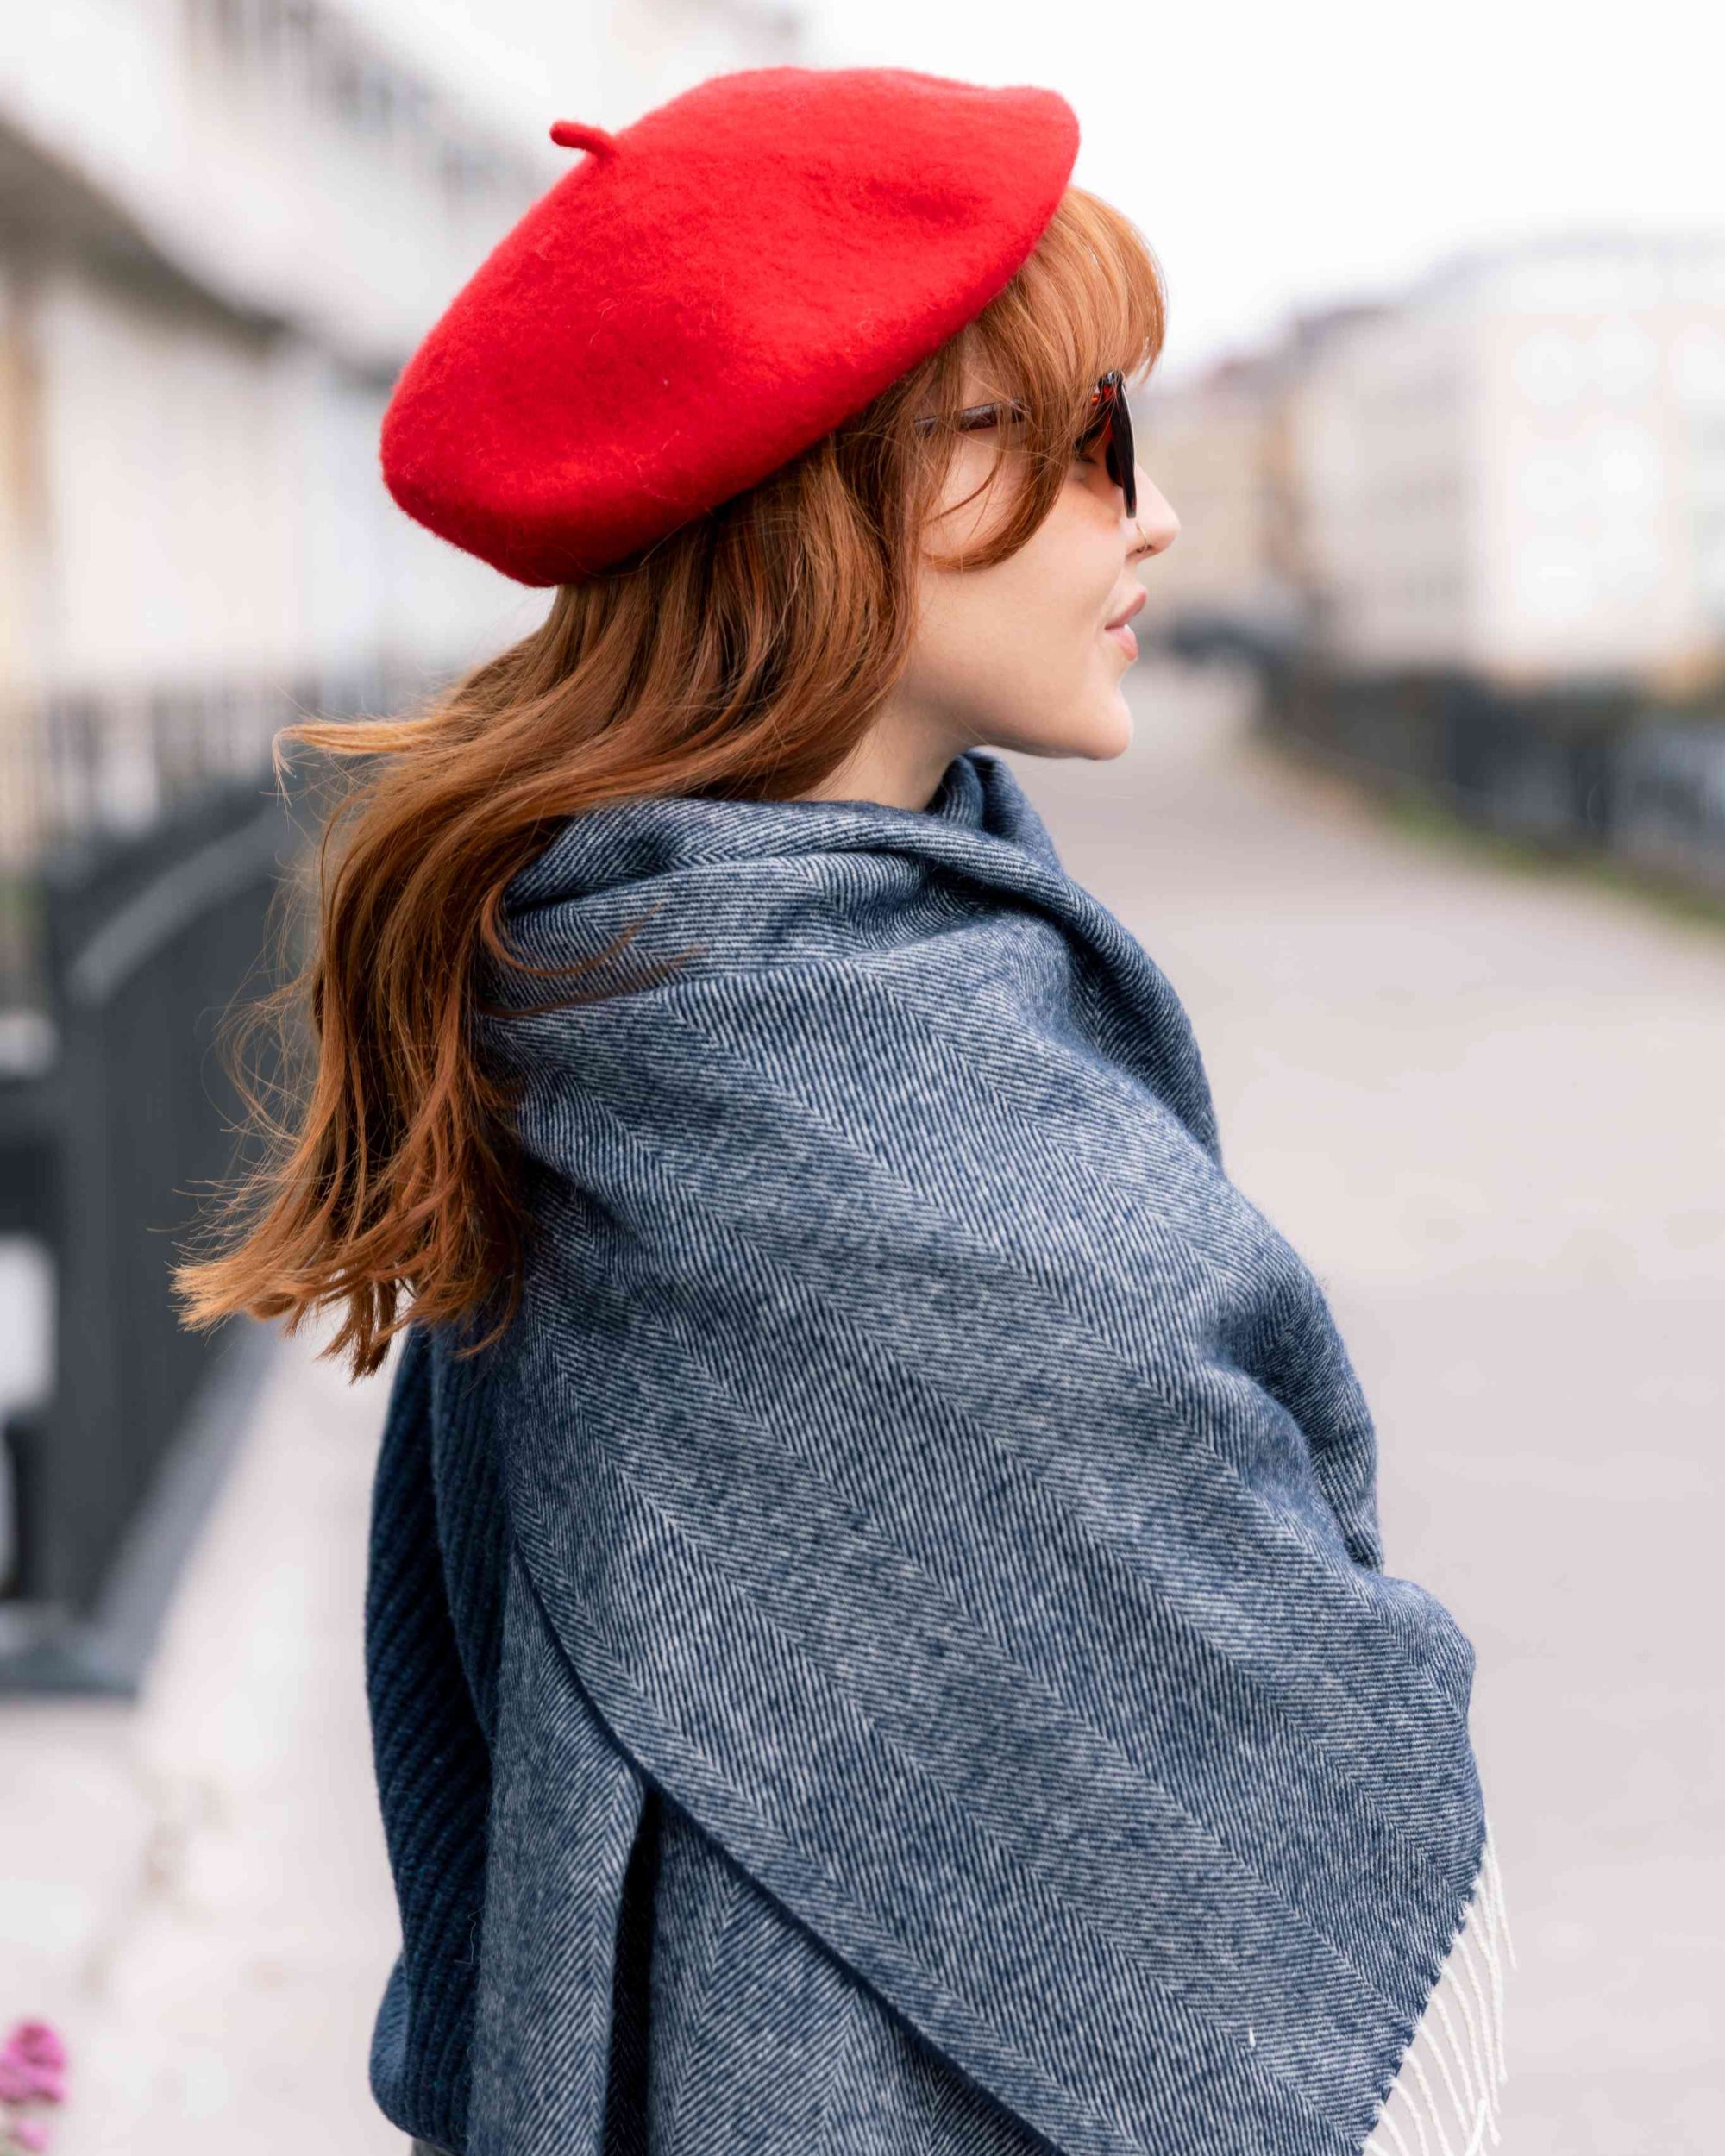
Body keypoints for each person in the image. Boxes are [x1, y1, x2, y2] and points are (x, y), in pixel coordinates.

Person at [177, 63, 1510, 2156]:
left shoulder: (664, 985)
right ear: (850, 484)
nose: (1145, 511)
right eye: (1086, 442)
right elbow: (1272, 1843)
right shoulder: (809, 1110)